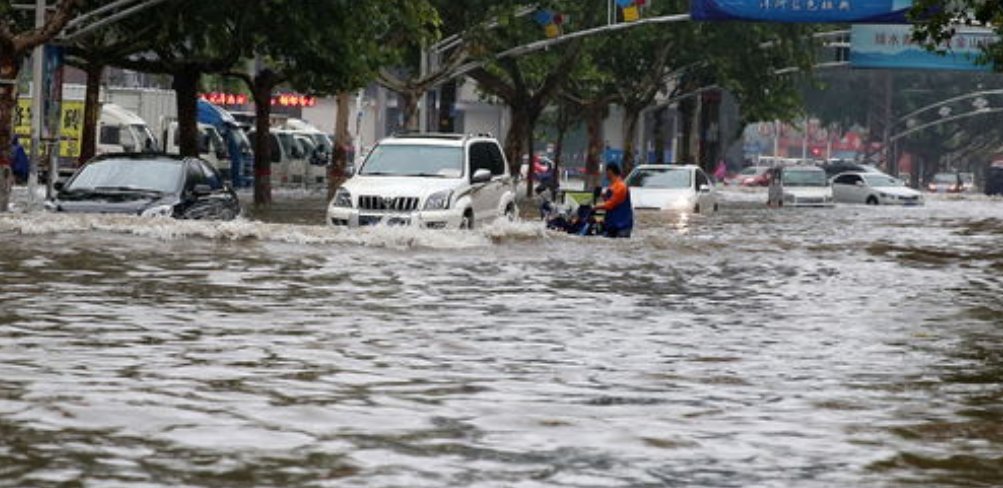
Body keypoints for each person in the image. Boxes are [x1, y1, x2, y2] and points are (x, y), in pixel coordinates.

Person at [594, 162, 633, 238]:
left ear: (610, 172)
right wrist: (602, 195)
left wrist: (596, 207)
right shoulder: (613, 186)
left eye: (606, 172)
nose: (605, 174)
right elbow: (610, 200)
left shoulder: (621, 186)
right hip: (612, 225)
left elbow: (610, 204)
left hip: (622, 226)